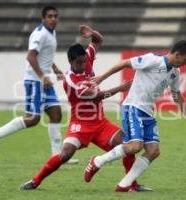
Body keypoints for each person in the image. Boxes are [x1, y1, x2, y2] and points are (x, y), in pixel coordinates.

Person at [20, 25, 151, 191]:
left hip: (100, 123)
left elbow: (98, 40)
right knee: (65, 154)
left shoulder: (87, 58)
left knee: (128, 146)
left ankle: (132, 185)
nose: (83, 65)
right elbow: (95, 96)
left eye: (84, 61)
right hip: (80, 124)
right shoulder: (71, 80)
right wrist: (119, 88)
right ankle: (35, 181)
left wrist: (92, 34)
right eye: (78, 63)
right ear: (70, 62)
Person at [84, 40, 186, 192]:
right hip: (133, 107)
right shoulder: (152, 60)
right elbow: (124, 63)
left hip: (148, 112)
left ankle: (124, 185)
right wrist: (101, 78)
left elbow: (176, 94)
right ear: (177, 55)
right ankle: (97, 161)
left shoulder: (175, 73)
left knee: (153, 151)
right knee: (135, 146)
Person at [0, 6, 78, 164]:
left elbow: (45, 55)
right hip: (35, 81)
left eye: (55, 16)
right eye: (50, 16)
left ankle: (58, 156)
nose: (53, 19)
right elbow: (31, 56)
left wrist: (54, 69)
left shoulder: (51, 33)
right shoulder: (40, 34)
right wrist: (42, 77)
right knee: (33, 118)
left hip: (44, 81)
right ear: (43, 18)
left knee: (56, 114)